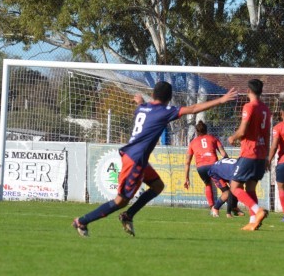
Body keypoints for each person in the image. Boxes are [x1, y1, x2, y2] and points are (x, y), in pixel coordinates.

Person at [72, 81, 237, 238]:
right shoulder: (164, 112)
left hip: (136, 157)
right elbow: (193, 108)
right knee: (121, 200)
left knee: (158, 186)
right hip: (135, 159)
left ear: (153, 94)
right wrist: (221, 100)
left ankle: (128, 215)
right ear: (169, 98)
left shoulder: (142, 108)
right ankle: (82, 221)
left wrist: (141, 101)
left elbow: (144, 108)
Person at [227, 79, 270, 231]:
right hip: (260, 154)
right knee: (250, 189)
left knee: (234, 187)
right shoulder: (266, 109)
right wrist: (266, 157)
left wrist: (232, 137)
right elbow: (267, 135)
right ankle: (253, 222)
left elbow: (243, 130)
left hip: (249, 153)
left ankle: (258, 211)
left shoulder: (249, 106)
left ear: (248, 91)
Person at [184, 120, 229, 217]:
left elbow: (187, 162)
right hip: (213, 165)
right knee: (226, 190)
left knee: (207, 184)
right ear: (206, 130)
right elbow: (224, 154)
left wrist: (186, 178)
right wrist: (227, 165)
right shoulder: (213, 138)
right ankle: (227, 208)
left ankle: (212, 207)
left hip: (201, 168)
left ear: (196, 132)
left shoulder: (192, 143)